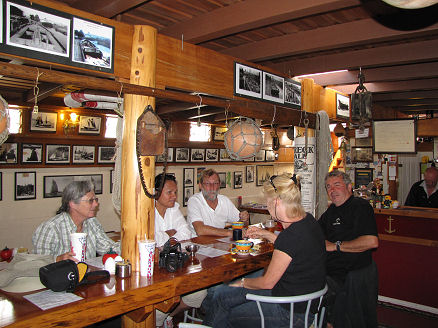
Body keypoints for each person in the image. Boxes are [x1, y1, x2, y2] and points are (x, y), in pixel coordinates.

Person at [203, 173, 326, 328]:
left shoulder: (291, 236)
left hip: (291, 312)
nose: (267, 207)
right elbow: (293, 248)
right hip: (301, 299)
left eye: (268, 202)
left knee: (227, 310)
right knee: (223, 296)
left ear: (277, 202)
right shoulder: (307, 221)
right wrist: (266, 234)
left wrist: (241, 282)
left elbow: (267, 282)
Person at [319, 170, 379, 328]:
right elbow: (316, 236)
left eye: (337, 185)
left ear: (349, 187)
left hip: (351, 275)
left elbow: (371, 241)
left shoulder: (360, 207)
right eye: (328, 187)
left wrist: (336, 246)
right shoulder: (329, 212)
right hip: (331, 272)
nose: (332, 190)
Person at [153, 173, 206, 328]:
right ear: (156, 192)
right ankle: (158, 320)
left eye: (175, 192)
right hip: (155, 270)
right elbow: (148, 239)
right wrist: (170, 234)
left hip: (175, 265)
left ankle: (169, 315)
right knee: (160, 304)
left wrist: (165, 238)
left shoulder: (174, 209)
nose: (174, 196)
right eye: (169, 192)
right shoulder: (146, 211)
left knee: (199, 294)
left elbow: (186, 233)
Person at [32, 180, 120, 262]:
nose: (96, 204)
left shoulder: (92, 222)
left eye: (96, 200)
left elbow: (109, 249)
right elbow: (39, 264)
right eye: (90, 201)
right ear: (73, 204)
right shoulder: (50, 228)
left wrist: (131, 242)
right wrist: (57, 260)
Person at [187, 169, 249, 237]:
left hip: (218, 243)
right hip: (198, 245)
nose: (212, 188)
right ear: (200, 185)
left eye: (215, 183)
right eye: (207, 184)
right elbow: (200, 230)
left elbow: (241, 224)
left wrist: (244, 219)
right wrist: (229, 232)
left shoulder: (224, 200)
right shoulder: (194, 201)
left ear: (219, 185)